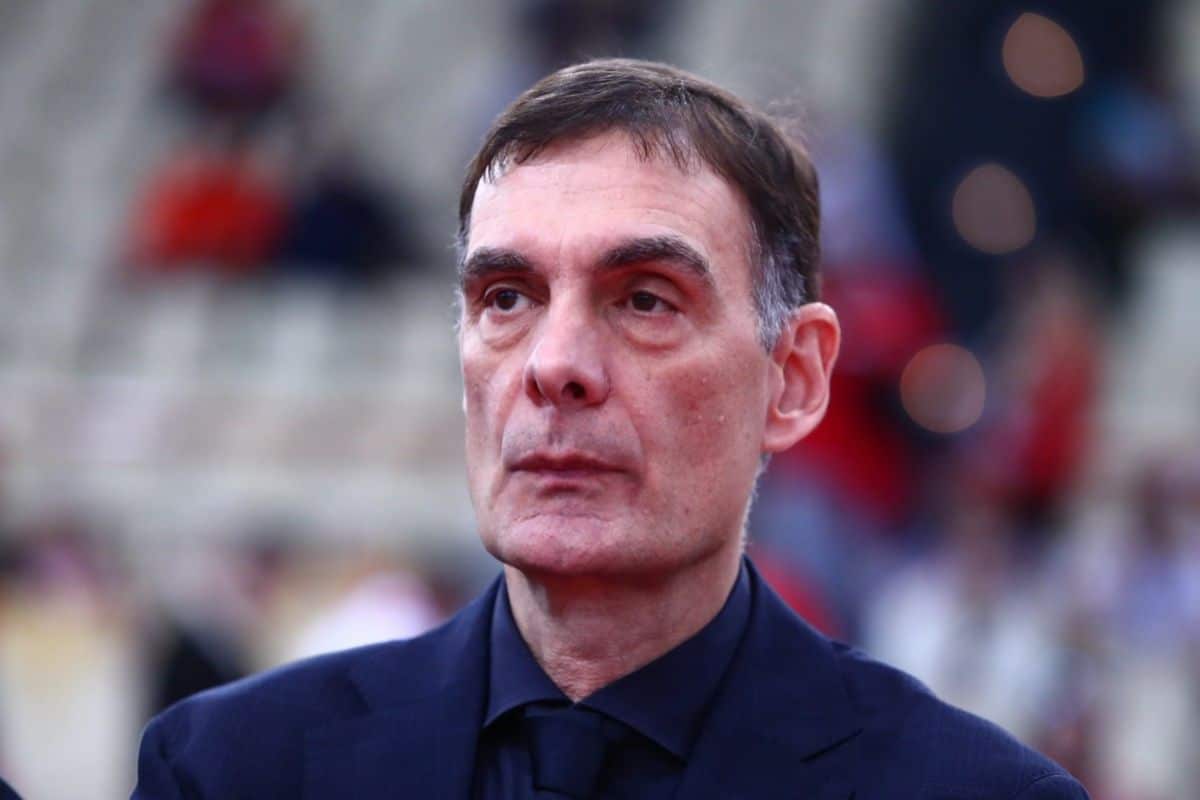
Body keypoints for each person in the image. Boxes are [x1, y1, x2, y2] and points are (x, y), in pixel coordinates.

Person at [132, 59, 1090, 799]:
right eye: (507, 297)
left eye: (644, 299)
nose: (553, 364)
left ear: (794, 379)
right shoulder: (229, 770)